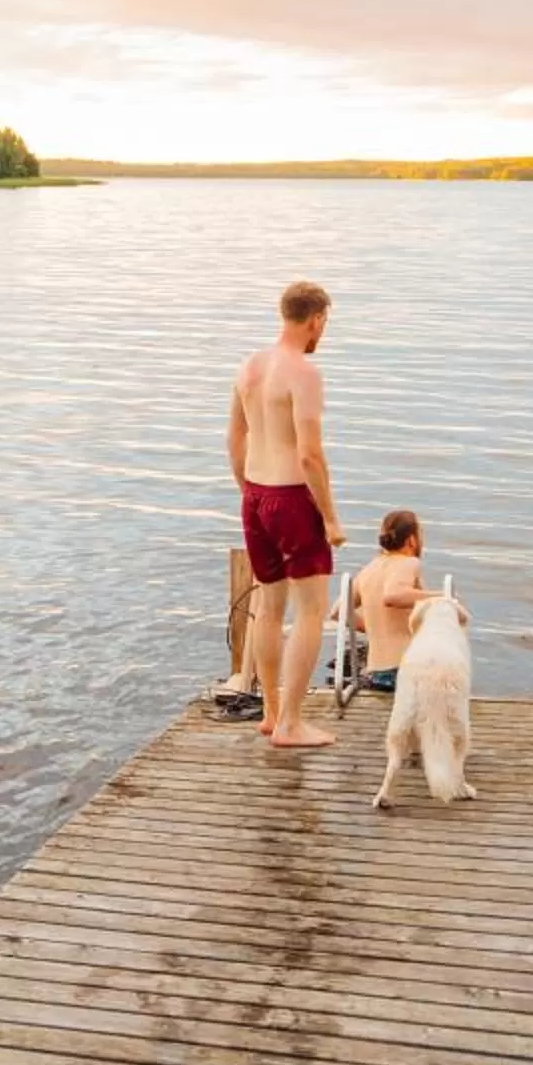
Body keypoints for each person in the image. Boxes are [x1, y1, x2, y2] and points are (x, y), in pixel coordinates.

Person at [229, 279, 342, 748]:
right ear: (316, 319)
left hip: (255, 495)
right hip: (292, 499)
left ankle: (272, 712)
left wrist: (248, 491)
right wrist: (331, 519)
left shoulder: (250, 366)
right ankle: (291, 723)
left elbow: (234, 439)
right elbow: (310, 456)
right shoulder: (303, 373)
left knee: (268, 609)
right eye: (325, 324)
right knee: (312, 609)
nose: (324, 333)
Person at [351, 508, 446, 694]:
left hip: (376, 673)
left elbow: (339, 611)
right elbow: (393, 595)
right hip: (403, 669)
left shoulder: (369, 568)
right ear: (412, 539)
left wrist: (370, 626)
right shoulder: (409, 562)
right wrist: (443, 596)